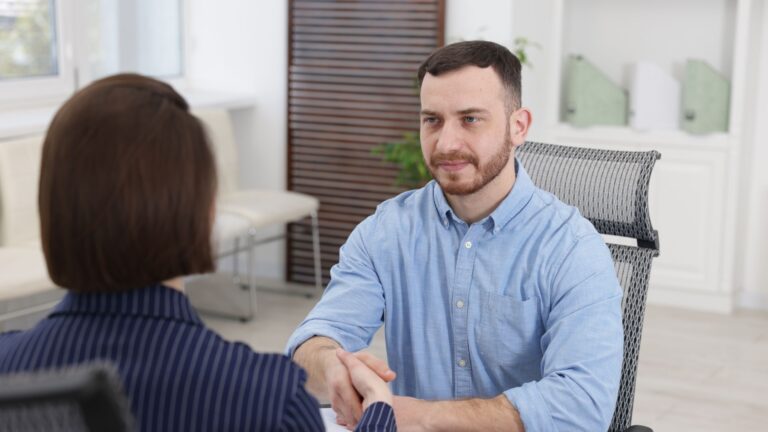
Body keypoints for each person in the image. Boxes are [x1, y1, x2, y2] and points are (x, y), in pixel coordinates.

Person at [0, 74, 396, 432]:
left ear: (50, 211)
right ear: (204, 215)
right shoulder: (267, 399)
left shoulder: (8, 371)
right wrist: (379, 415)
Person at [286, 41, 624, 431]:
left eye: (470, 119)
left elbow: (582, 406)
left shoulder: (572, 248)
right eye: (432, 120)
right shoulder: (387, 230)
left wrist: (426, 418)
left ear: (519, 126)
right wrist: (331, 362)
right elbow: (312, 340)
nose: (446, 143)